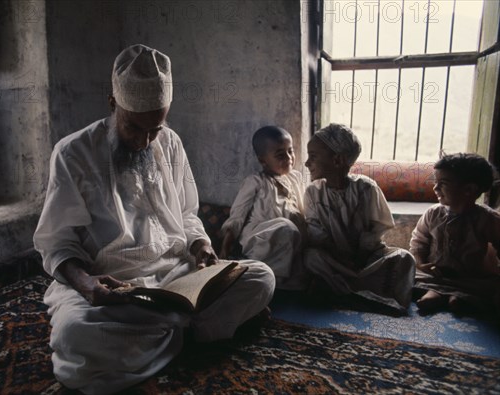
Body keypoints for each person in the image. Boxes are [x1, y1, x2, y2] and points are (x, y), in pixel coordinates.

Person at [33, 44, 275, 394]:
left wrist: (201, 245)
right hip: (115, 288)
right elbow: (57, 241)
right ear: (113, 103)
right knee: (76, 337)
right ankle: (198, 329)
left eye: (155, 129)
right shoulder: (73, 154)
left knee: (261, 276)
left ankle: (172, 332)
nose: (144, 141)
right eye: (135, 127)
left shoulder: (171, 143)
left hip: (178, 273)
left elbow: (188, 213)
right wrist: (87, 286)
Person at [302, 123, 415, 314]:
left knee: (405, 259)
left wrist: (362, 257)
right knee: (311, 257)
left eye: (313, 156)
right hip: (336, 260)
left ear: (337, 160)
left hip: (367, 259)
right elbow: (316, 233)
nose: (307, 163)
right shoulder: (313, 192)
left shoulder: (366, 188)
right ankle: (364, 294)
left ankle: (344, 292)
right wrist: (340, 258)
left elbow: (375, 229)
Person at [410, 153, 500, 314]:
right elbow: (418, 242)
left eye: (442, 184)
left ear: (469, 189)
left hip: (470, 278)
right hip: (434, 274)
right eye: (435, 182)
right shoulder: (433, 213)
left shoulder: (487, 219)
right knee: (402, 269)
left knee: (490, 286)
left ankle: (454, 297)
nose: (435, 188)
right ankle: (437, 293)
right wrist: (420, 263)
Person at [219, 126, 307, 289]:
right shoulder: (255, 182)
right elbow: (237, 216)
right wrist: (225, 248)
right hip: (260, 239)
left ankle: (282, 285)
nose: (289, 158)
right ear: (262, 160)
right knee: (286, 226)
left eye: (290, 151)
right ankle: (269, 283)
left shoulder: (296, 178)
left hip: (291, 241)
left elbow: (303, 210)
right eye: (280, 155)